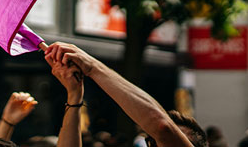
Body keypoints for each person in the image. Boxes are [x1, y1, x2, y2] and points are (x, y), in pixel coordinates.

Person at [44, 42, 206, 147]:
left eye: (173, 142)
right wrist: (74, 96)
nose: (159, 144)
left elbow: (162, 127)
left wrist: (93, 67)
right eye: (152, 142)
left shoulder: (163, 130)